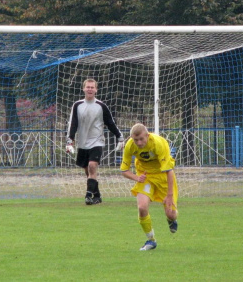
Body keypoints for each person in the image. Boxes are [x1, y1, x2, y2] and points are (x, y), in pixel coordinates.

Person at [120, 123, 178, 251]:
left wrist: (169, 196)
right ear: (131, 138)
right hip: (146, 176)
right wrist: (137, 178)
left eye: (141, 139)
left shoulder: (158, 144)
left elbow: (169, 171)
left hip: (163, 176)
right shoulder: (130, 146)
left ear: (147, 135)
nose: (139, 142)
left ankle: (171, 219)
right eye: (136, 140)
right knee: (142, 207)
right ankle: (151, 240)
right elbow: (124, 170)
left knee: (171, 214)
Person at [66, 78, 124, 205]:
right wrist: (69, 142)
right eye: (88, 87)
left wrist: (120, 137)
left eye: (92, 87)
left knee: (93, 166)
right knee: (88, 172)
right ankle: (97, 195)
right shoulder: (77, 105)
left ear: (96, 90)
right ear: (84, 89)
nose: (90, 89)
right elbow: (73, 124)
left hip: (97, 141)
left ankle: (88, 196)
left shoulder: (101, 106)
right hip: (82, 143)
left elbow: (110, 123)